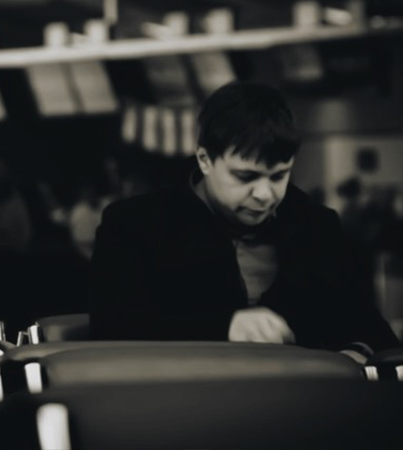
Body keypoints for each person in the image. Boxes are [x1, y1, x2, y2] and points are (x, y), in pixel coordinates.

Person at [89, 81, 399, 358]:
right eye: (245, 176)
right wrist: (223, 327)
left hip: (303, 396)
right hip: (180, 397)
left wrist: (357, 353)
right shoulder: (133, 225)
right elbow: (111, 327)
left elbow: (373, 332)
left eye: (278, 176)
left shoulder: (316, 226)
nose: (264, 194)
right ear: (205, 159)